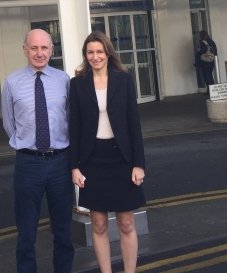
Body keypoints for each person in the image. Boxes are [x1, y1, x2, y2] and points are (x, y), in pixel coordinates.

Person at [69, 31, 146, 273]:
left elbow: (134, 123)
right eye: (90, 52)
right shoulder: (77, 84)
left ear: (108, 53)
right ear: (86, 55)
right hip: (92, 160)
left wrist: (138, 163)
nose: (95, 56)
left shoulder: (123, 79)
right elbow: (75, 127)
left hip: (122, 159)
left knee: (125, 222)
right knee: (99, 225)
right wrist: (74, 166)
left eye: (99, 52)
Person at [2, 29, 74, 273]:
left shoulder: (64, 80)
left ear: (52, 50)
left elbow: (70, 119)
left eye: (44, 48)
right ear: (25, 50)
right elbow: (9, 123)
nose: (39, 53)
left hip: (60, 163)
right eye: (34, 48)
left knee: (63, 231)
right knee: (26, 233)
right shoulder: (12, 82)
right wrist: (25, 142)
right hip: (28, 164)